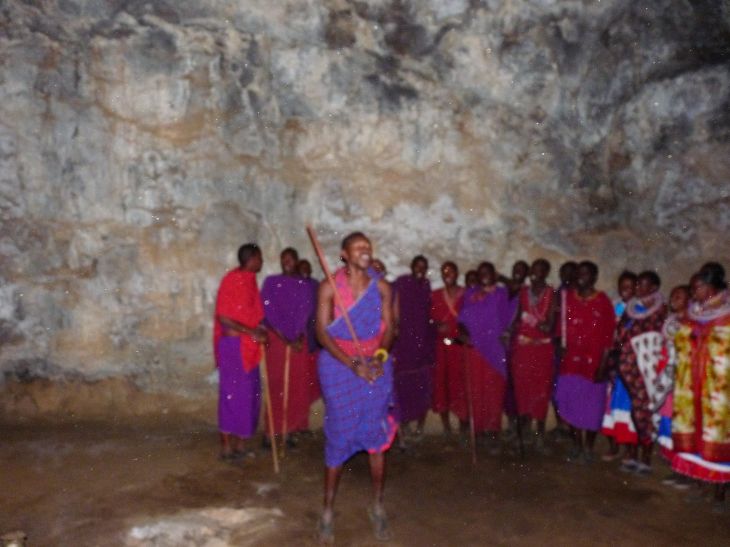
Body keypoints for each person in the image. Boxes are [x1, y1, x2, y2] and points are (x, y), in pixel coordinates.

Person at [316, 232, 397, 543]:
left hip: (375, 365)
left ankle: (377, 505)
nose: (365, 251)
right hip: (339, 366)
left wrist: (379, 356)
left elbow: (390, 328)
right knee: (340, 433)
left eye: (368, 246)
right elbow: (323, 334)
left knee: (376, 435)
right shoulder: (329, 287)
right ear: (344, 255)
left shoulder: (382, 287)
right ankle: (327, 511)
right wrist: (353, 365)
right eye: (358, 247)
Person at [672, 263, 730, 512]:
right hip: (692, 383)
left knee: (718, 436)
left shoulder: (726, 313)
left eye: (697, 287)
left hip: (719, 387)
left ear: (711, 287)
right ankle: (701, 484)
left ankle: (720, 493)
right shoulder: (694, 312)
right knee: (696, 434)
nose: (693, 291)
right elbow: (681, 341)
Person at [555, 261, 615, 463]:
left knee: (592, 408)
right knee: (570, 402)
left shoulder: (603, 301)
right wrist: (560, 345)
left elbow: (608, 338)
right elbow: (560, 329)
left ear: (594, 277)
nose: (581, 277)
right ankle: (577, 444)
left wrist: (603, 365)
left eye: (586, 273)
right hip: (571, 362)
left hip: (593, 364)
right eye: (579, 273)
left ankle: (588, 448)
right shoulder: (568, 299)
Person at [213, 243, 267, 460]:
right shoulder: (232, 280)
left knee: (248, 397)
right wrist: (252, 331)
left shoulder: (251, 281)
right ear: (252, 259)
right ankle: (226, 447)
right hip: (234, 347)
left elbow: (255, 316)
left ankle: (241, 445)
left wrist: (260, 330)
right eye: (260, 258)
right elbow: (224, 318)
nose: (262, 262)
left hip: (248, 347)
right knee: (231, 396)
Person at [261, 248, 316, 446]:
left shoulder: (304, 285)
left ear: (296, 261)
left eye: (290, 259)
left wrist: (298, 336)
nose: (287, 262)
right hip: (277, 340)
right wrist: (285, 338)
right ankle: (271, 432)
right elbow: (268, 311)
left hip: (298, 341)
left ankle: (289, 430)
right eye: (283, 259)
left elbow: (305, 312)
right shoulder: (271, 282)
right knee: (276, 385)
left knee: (295, 386)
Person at [615, 270, 667, 474]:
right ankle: (632, 453)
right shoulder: (631, 309)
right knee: (634, 411)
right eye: (637, 284)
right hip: (629, 367)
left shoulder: (660, 310)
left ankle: (646, 457)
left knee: (648, 409)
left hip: (649, 368)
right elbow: (620, 333)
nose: (638, 288)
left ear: (654, 288)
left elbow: (658, 337)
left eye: (643, 285)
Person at [457, 261, 512, 454]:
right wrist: (463, 332)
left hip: (495, 351)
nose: (484, 276)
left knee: (494, 393)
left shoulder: (502, 293)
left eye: (488, 272)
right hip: (474, 349)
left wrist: (500, 277)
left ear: (494, 274)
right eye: (481, 273)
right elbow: (461, 320)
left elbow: (515, 290)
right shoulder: (470, 294)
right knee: (476, 391)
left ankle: (493, 433)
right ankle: (478, 432)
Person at [510, 259, 556, 453]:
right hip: (523, 349)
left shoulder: (552, 294)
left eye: (540, 270)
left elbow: (549, 325)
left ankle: (539, 435)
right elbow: (517, 318)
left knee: (541, 391)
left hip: (542, 350)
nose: (536, 274)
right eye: (533, 270)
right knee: (522, 390)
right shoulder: (523, 293)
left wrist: (534, 322)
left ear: (546, 272)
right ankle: (522, 434)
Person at [392, 255, 435, 439]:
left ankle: (419, 425)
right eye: (417, 266)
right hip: (404, 342)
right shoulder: (402, 283)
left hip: (422, 342)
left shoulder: (426, 286)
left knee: (421, 383)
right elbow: (393, 305)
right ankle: (403, 425)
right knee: (403, 384)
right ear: (411, 266)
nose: (420, 269)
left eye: (423, 267)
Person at [654, 284, 691, 488]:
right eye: (673, 295)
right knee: (668, 422)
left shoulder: (692, 323)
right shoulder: (671, 321)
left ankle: (684, 470)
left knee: (681, 426)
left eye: (680, 296)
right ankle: (676, 466)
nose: (674, 299)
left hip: (683, 381)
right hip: (667, 380)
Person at [601, 271, 639, 460]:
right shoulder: (614, 307)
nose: (625, 290)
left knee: (627, 406)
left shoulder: (640, 310)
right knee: (610, 406)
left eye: (630, 287)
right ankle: (613, 445)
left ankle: (629, 448)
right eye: (622, 286)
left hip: (630, 365)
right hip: (613, 364)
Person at [430, 261, 467, 435]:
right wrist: (436, 325)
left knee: (461, 384)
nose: (448, 275)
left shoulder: (466, 294)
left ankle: (463, 425)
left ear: (457, 273)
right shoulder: (435, 295)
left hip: (459, 347)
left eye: (451, 271)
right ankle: (446, 427)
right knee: (441, 384)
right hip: (441, 347)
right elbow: (429, 319)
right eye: (444, 272)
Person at [298, 258, 322, 406]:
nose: (304, 271)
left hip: (314, 334)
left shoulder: (316, 285)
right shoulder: (294, 286)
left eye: (307, 268)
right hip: (301, 336)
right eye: (301, 269)